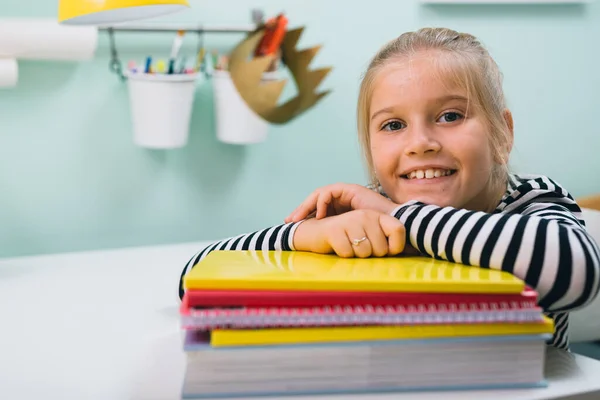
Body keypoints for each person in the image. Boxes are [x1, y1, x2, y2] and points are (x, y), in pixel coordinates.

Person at [177, 27, 600, 351]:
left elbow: (573, 272)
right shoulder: (363, 217)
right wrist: (306, 235)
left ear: (501, 134)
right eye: (393, 125)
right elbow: (195, 281)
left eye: (450, 115)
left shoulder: (533, 201)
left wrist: (400, 218)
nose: (420, 143)